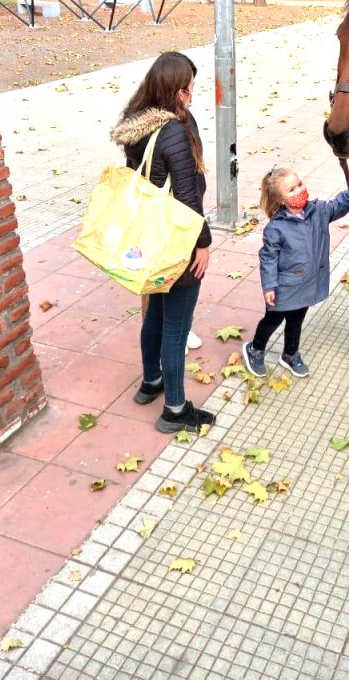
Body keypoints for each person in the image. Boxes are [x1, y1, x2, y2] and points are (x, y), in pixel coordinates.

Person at [112, 52, 214, 433]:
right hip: (176, 241)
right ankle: (174, 408)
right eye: (188, 89)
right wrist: (203, 243)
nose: (192, 95)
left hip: (148, 237)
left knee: (155, 311)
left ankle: (150, 381)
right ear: (175, 91)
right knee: (176, 325)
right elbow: (188, 200)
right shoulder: (175, 132)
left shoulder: (138, 126)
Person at [242, 167, 349, 379]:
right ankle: (255, 349)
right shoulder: (276, 228)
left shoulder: (319, 211)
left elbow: (340, 204)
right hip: (284, 286)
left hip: (307, 283)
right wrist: (269, 286)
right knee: (273, 320)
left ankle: (290, 353)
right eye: (291, 190)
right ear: (280, 200)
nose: (299, 191)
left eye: (300, 184)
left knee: (296, 320)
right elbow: (268, 258)